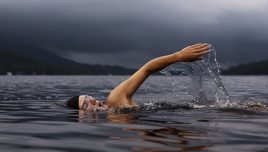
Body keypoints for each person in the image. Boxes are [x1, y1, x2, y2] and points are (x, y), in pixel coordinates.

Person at [66, 43, 210, 111]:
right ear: (83, 115)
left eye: (87, 97)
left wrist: (178, 56)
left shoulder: (114, 99)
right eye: (85, 104)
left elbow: (146, 69)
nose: (91, 101)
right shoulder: (112, 113)